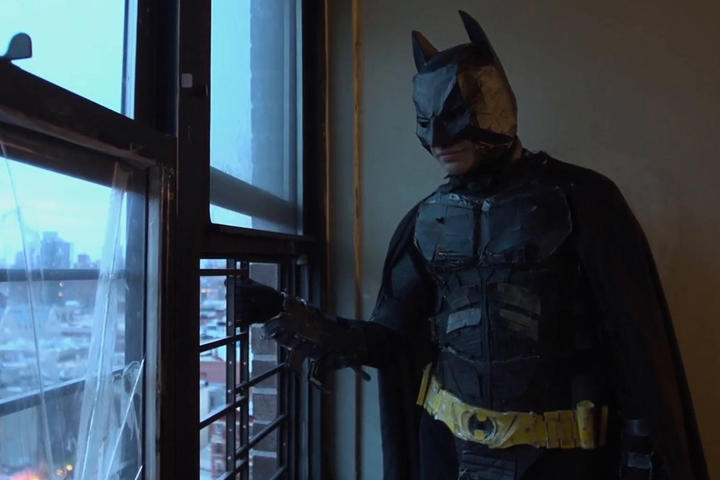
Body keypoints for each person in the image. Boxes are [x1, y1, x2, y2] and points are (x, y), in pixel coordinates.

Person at [236, 11, 708, 480]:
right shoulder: (426, 222)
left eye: (455, 116)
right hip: (450, 454)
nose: (439, 139)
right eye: (428, 121)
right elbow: (391, 341)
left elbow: (635, 346)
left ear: (495, 104)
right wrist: (287, 315)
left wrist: (644, 455)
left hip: (563, 463)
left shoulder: (581, 200)